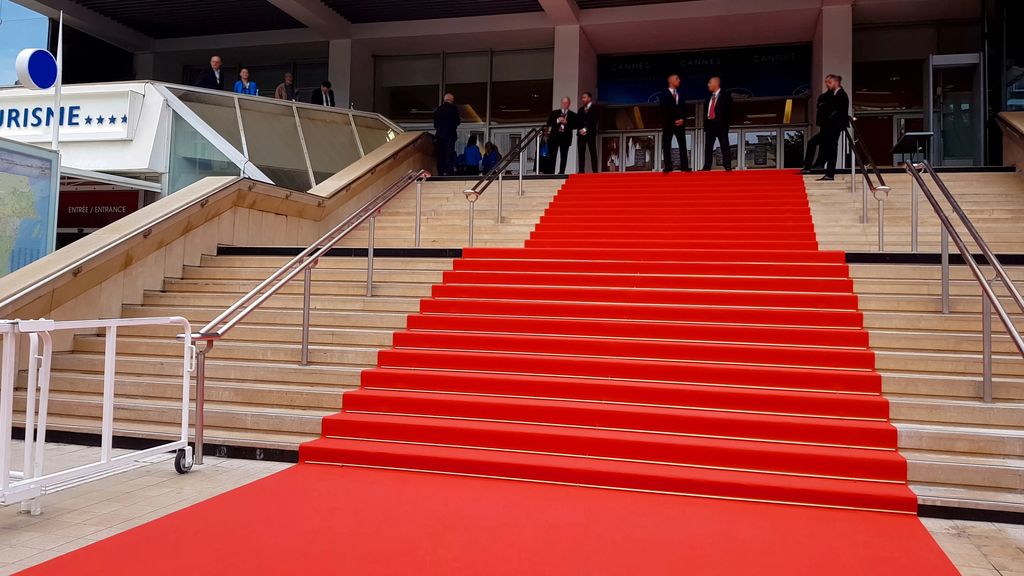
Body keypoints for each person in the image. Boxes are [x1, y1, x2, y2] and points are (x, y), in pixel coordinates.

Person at [802, 74, 850, 181]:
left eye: (829, 82)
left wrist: (827, 114)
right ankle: (809, 167)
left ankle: (829, 174)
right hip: (827, 127)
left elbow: (837, 111)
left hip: (834, 126)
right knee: (813, 143)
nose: (827, 84)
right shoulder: (830, 95)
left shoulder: (841, 95)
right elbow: (822, 106)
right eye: (826, 82)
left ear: (836, 82)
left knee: (832, 148)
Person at [659, 74, 690, 173]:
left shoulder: (681, 94)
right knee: (667, 144)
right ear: (671, 81)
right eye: (677, 78)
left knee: (682, 144)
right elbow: (663, 111)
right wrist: (673, 121)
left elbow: (685, 109)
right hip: (668, 124)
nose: (679, 80)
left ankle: (684, 166)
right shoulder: (663, 95)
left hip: (680, 124)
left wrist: (683, 119)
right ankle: (668, 166)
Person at [702, 76, 733, 171]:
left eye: (710, 83)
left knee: (724, 144)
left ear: (716, 83)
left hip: (721, 125)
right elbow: (706, 111)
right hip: (710, 124)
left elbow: (729, 111)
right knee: (708, 146)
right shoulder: (708, 98)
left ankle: (727, 165)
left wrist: (725, 123)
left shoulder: (726, 96)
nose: (708, 85)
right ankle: (707, 166)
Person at [546, 97, 578, 174]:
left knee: (564, 156)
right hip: (555, 137)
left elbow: (576, 125)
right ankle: (551, 172)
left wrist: (567, 123)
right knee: (552, 156)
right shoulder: (554, 113)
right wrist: (557, 120)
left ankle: (561, 172)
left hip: (565, 137)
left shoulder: (572, 114)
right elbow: (549, 122)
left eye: (566, 103)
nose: (564, 104)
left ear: (569, 104)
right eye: (563, 103)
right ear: (561, 103)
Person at [433, 93, 460, 176]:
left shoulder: (438, 109)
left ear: (444, 100)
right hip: (450, 135)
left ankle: (440, 171)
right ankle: (448, 172)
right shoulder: (454, 109)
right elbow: (458, 121)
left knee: (440, 154)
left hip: (440, 135)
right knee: (449, 153)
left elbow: (435, 124)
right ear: (451, 100)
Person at [576, 91, 600, 173]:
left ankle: (595, 171)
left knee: (592, 152)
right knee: (581, 153)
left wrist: (585, 129)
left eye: (584, 97)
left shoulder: (595, 108)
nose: (583, 99)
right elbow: (578, 121)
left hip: (590, 134)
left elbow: (594, 121)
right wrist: (580, 129)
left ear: (589, 98)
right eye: (582, 98)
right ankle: (581, 171)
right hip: (581, 135)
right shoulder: (580, 110)